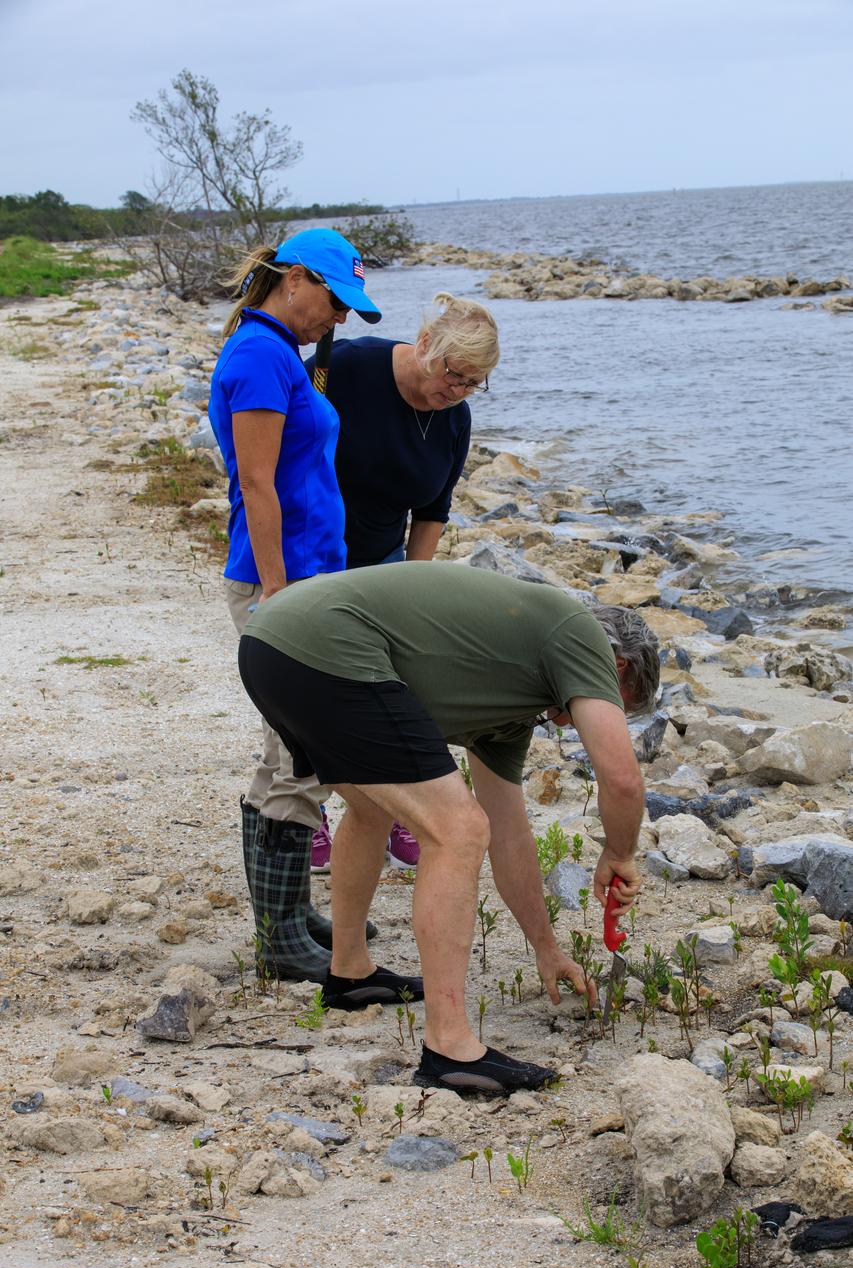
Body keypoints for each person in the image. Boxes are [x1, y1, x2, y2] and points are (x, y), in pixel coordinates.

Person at [238, 562, 660, 1093]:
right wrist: (620, 854)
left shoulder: (512, 694)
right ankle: (450, 1046)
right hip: (321, 646)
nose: (579, 721)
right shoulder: (575, 632)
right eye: (614, 702)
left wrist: (545, 946)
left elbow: (509, 831)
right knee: (456, 830)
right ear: (615, 665)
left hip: (274, 644)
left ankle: (349, 974)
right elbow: (621, 778)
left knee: (375, 808)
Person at [208, 227, 382, 983]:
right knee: (297, 752)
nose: (338, 319)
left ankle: (288, 918)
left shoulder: (281, 352)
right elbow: (256, 483)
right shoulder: (256, 356)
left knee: (289, 751)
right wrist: (279, 597)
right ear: (296, 279)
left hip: (310, 574)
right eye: (335, 301)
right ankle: (282, 942)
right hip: (279, 582)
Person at [304, 293, 500, 873]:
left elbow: (434, 507)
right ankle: (306, 807)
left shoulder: (455, 419)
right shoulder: (348, 367)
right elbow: (286, 446)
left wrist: (412, 586)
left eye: (474, 383)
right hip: (314, 554)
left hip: (385, 561)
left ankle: (389, 815)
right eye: (453, 373)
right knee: (310, 689)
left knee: (389, 690)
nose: (458, 390)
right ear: (423, 347)